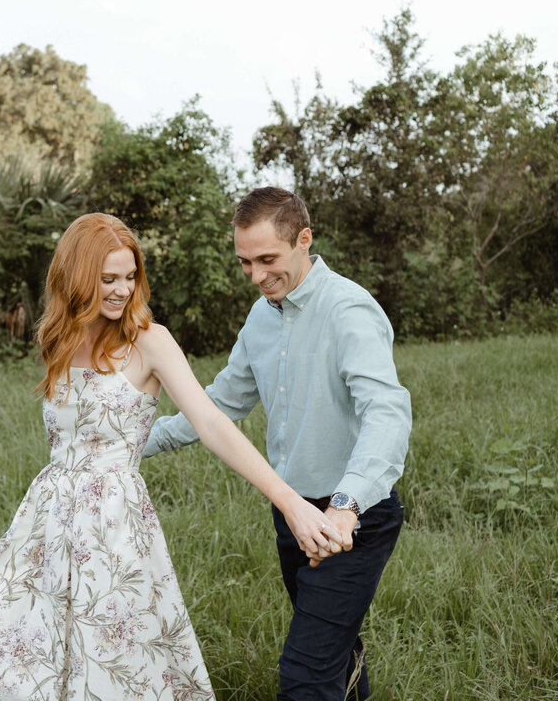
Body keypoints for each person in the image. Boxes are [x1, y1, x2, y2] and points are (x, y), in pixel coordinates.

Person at [0, 212, 346, 701]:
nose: (122, 290)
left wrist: (288, 500)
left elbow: (210, 423)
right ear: (77, 279)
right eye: (107, 280)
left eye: (129, 277)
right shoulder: (58, 338)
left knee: (111, 660)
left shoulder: (148, 341)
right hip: (46, 520)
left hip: (113, 525)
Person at [143, 187, 412, 701]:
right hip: (291, 513)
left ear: (303, 240)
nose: (256, 275)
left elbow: (387, 413)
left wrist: (346, 507)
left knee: (305, 674)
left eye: (267, 259)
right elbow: (219, 405)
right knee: (334, 649)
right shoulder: (261, 317)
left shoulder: (349, 309)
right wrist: (129, 443)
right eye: (245, 262)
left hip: (354, 518)